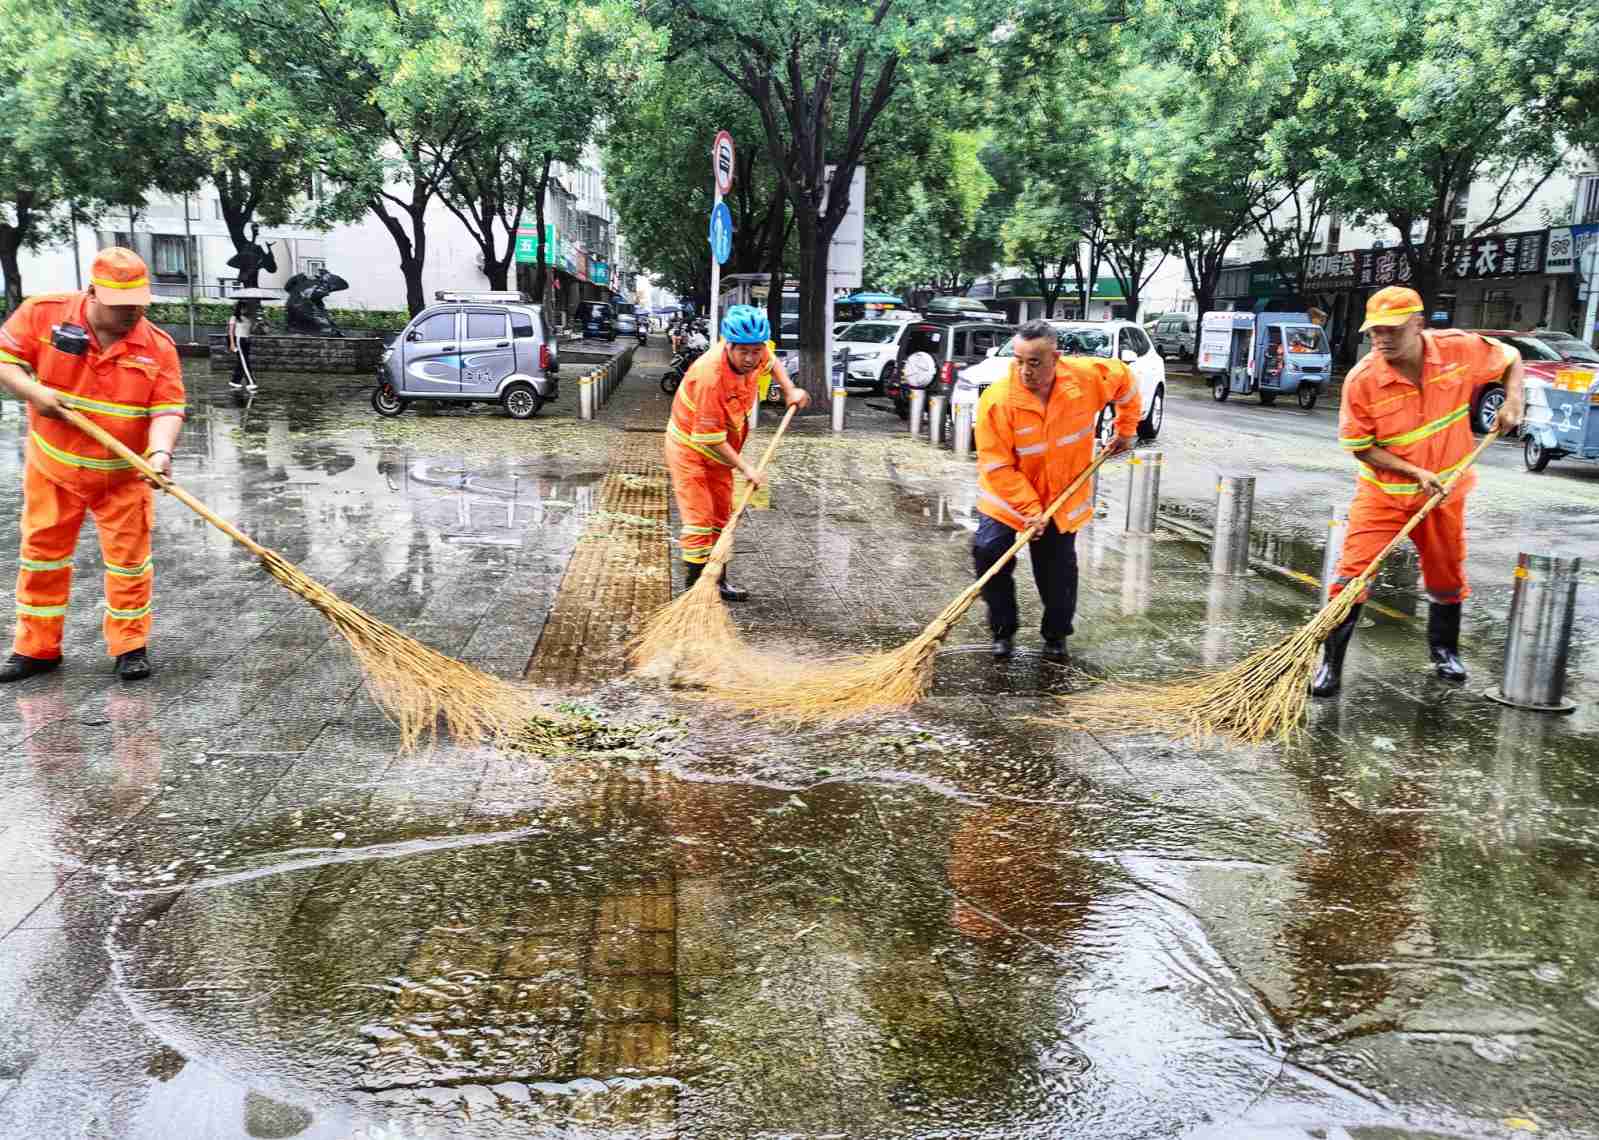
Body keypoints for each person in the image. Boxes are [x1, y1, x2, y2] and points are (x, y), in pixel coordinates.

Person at [1313, 285, 1524, 697]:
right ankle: (1330, 665)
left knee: (1447, 575)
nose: (1382, 340)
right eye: (1375, 332)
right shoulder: (1363, 380)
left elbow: (1512, 357)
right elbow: (1361, 447)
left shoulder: (1458, 350)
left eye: (1392, 330)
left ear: (1418, 324)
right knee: (1353, 575)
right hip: (1384, 494)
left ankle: (1444, 650)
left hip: (1445, 491)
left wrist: (1514, 400)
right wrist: (1413, 472)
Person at [0, 247, 186, 683]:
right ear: (92, 293)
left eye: (139, 303)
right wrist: (33, 391)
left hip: (123, 477)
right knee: (42, 557)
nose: (132, 313)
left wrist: (160, 453)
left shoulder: (156, 346)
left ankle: (130, 647)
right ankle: (36, 649)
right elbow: (4, 359)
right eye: (121, 305)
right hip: (54, 468)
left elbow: (167, 408)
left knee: (129, 564)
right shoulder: (43, 315)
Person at [973, 319, 1139, 662]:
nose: (1024, 370)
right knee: (988, 552)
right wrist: (1031, 510)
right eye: (1018, 360)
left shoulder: (1086, 379)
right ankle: (1003, 631)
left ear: (1056, 358)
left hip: (1062, 497)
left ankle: (1056, 636)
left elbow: (1125, 381)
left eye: (1034, 362)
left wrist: (1126, 429)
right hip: (1008, 499)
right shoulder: (997, 401)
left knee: (1057, 572)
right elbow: (997, 466)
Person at [663, 305, 810, 599]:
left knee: (723, 517)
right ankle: (693, 595)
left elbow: (771, 362)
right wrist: (747, 469)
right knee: (699, 521)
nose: (751, 358)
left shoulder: (755, 353)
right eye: (743, 351)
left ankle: (717, 581)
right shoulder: (709, 377)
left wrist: (789, 389)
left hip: (721, 453)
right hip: (691, 451)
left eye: (756, 350)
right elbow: (710, 439)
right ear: (727, 344)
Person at [227, 298, 260, 393]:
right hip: (239, 340)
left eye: (246, 308)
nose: (245, 309)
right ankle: (251, 382)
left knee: (243, 361)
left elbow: (252, 331)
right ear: (239, 308)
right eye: (243, 308)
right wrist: (232, 344)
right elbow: (231, 331)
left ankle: (235, 381)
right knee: (245, 362)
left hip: (247, 340)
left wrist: (257, 324)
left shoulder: (249, 318)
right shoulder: (234, 318)